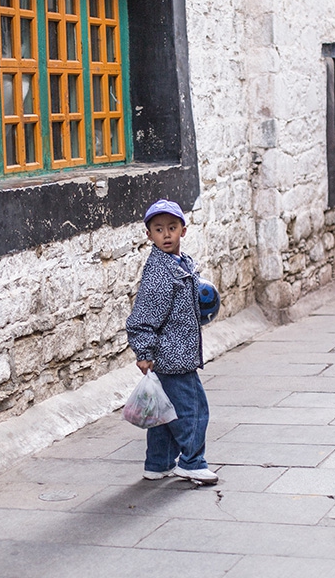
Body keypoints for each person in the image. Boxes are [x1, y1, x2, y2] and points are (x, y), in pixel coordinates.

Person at [126, 199, 218, 485]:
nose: (166, 235)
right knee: (194, 410)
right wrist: (144, 351)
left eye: (172, 228)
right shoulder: (160, 273)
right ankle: (192, 462)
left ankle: (158, 463)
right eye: (158, 229)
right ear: (148, 235)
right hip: (173, 357)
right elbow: (143, 317)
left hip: (176, 351)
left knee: (164, 413)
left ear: (183, 231)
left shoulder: (180, 263)